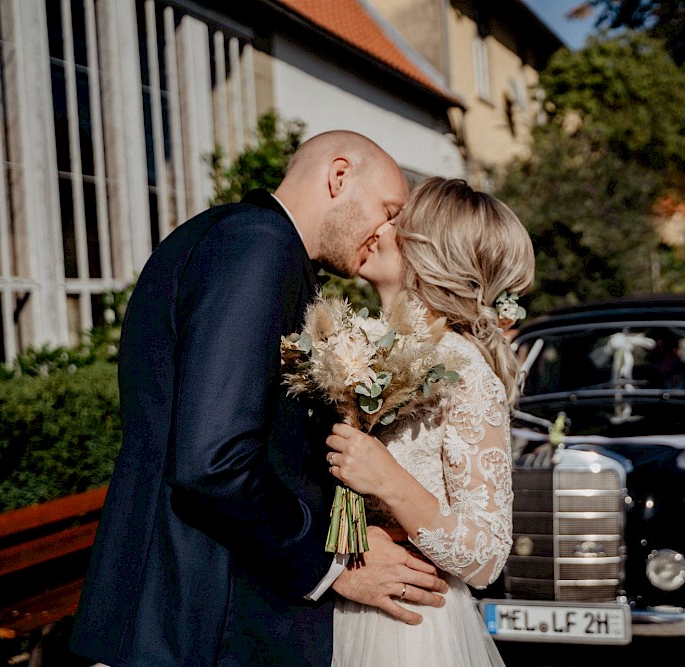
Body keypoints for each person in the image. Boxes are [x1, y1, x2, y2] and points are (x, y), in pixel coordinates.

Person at [69, 131, 449, 667]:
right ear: (339, 176)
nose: (388, 233)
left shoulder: (225, 236)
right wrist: (335, 563)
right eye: (388, 210)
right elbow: (213, 462)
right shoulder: (258, 246)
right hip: (205, 622)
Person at [324, 177, 535, 666]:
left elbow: (486, 557)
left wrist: (391, 482)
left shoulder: (465, 374)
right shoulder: (354, 350)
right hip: (340, 603)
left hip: (410, 627)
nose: (379, 227)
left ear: (432, 254)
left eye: (397, 221)